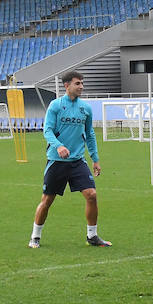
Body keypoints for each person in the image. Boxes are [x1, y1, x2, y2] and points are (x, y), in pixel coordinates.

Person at [30, 70, 108, 247]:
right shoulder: (55, 106)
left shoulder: (85, 108)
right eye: (77, 83)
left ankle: (92, 236)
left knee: (92, 195)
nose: (81, 86)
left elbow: (89, 134)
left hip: (77, 161)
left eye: (82, 83)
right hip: (56, 161)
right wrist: (59, 146)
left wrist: (95, 159)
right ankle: (35, 236)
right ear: (67, 86)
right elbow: (47, 131)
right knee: (47, 200)